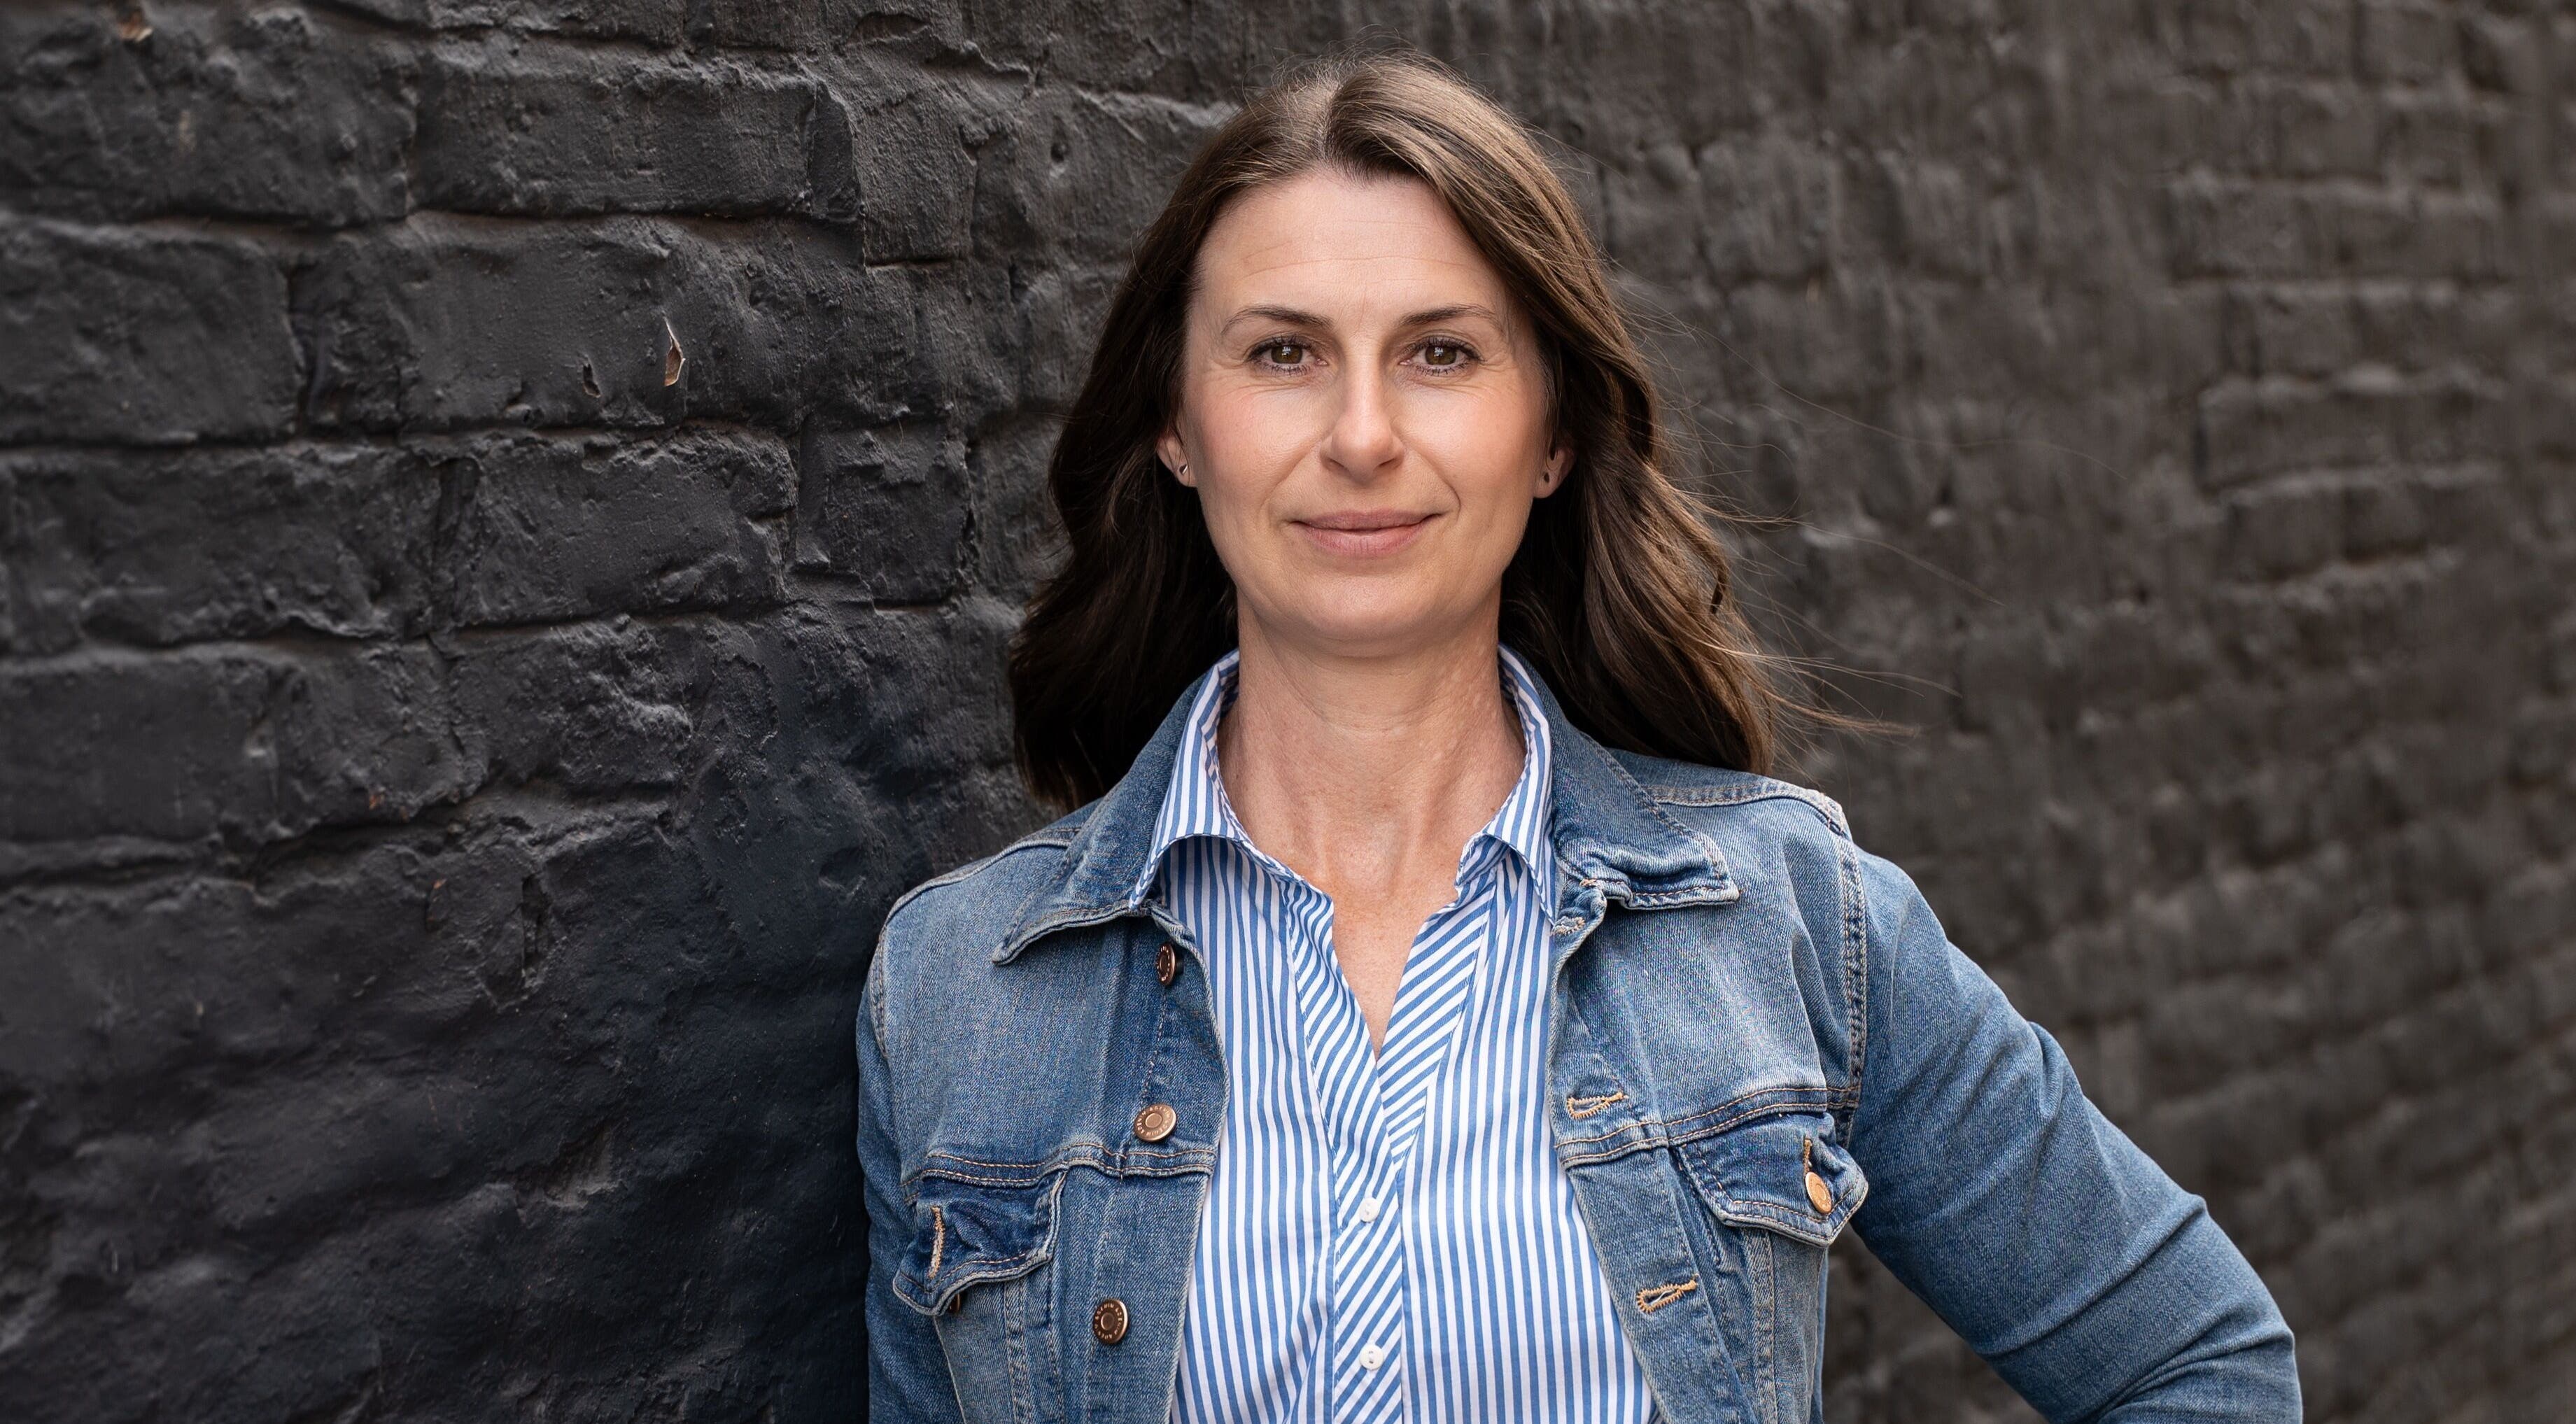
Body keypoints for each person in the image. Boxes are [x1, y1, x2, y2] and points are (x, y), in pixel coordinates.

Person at [854, 47, 2298, 1424]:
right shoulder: (958, 993)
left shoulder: (1784, 918)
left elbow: (2195, 1365)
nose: (1360, 433)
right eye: (1282, 351)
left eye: (1439, 352)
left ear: (1549, 434)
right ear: (1176, 422)